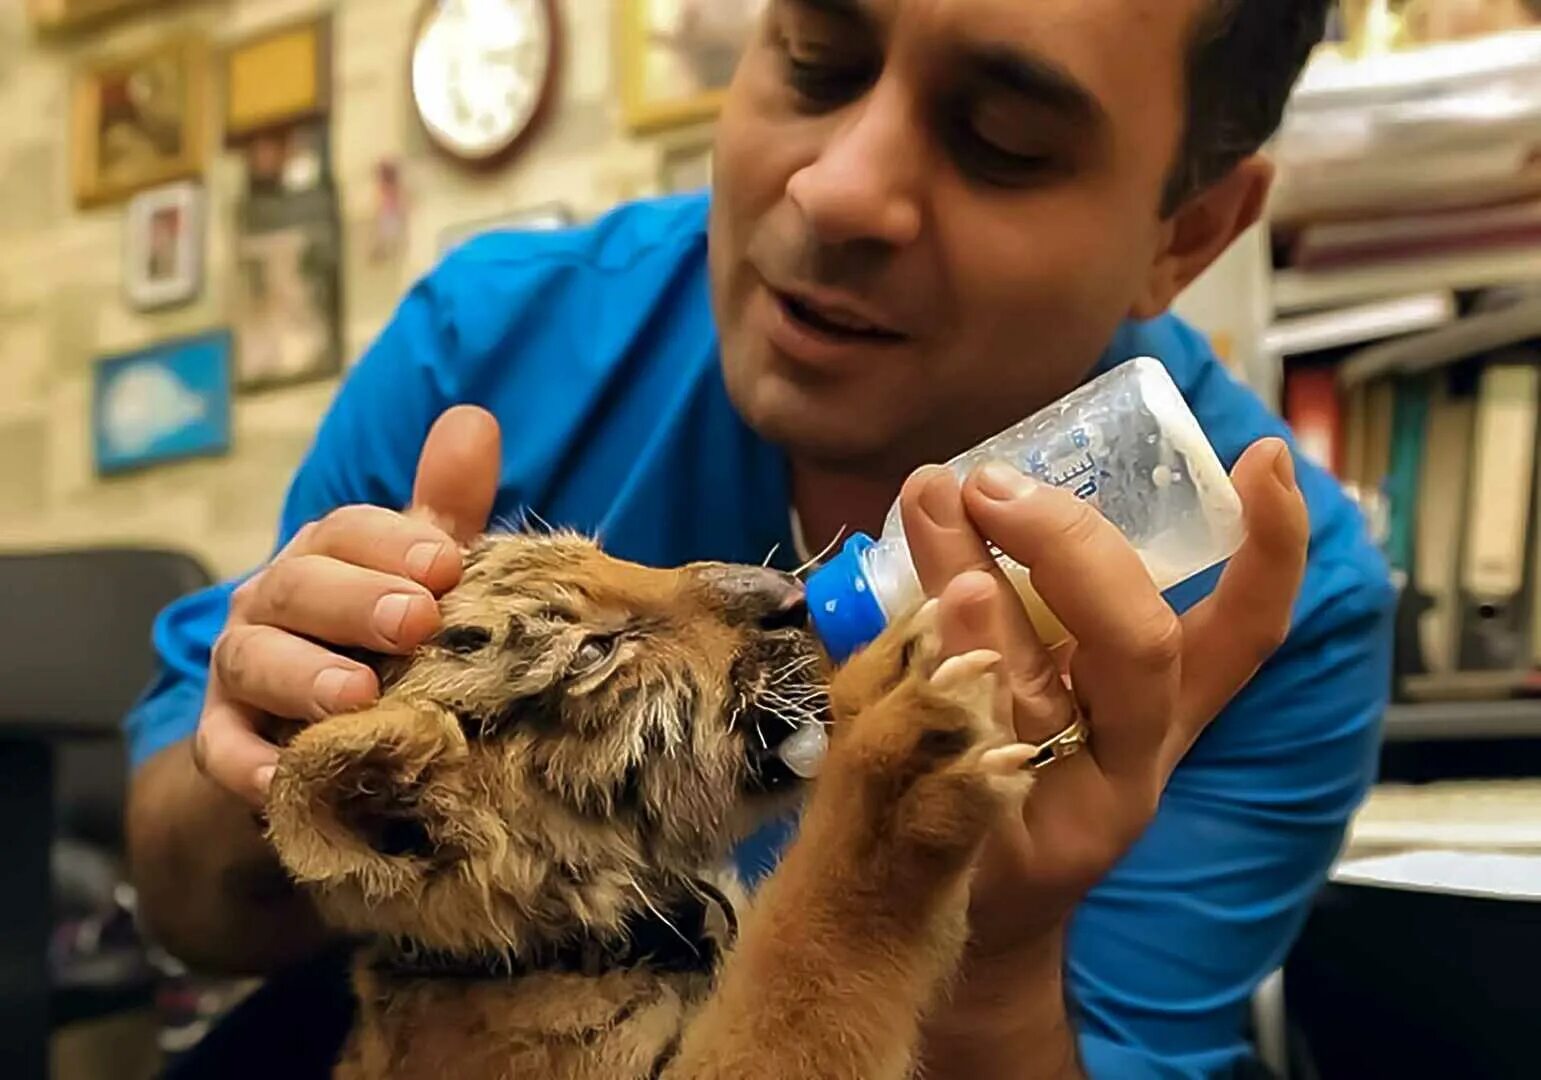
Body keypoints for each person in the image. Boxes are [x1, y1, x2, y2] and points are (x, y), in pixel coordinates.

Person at [125, 1, 1393, 1076]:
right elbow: (189, 908)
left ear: (1187, 233)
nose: (836, 187)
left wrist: (988, 947)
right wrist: (277, 755)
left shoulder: (1273, 606)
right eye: (816, 58)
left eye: (1000, 142)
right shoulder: (488, 345)